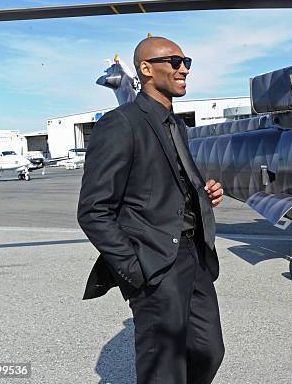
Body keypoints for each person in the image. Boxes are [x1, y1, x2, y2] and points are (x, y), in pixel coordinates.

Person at [77, 36, 225, 384]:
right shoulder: (121, 123)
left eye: (186, 60)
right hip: (155, 263)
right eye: (174, 61)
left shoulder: (177, 126)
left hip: (194, 255)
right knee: (164, 369)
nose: (184, 68)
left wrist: (204, 194)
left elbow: (166, 185)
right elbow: (93, 210)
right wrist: (136, 269)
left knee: (209, 350)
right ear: (146, 69)